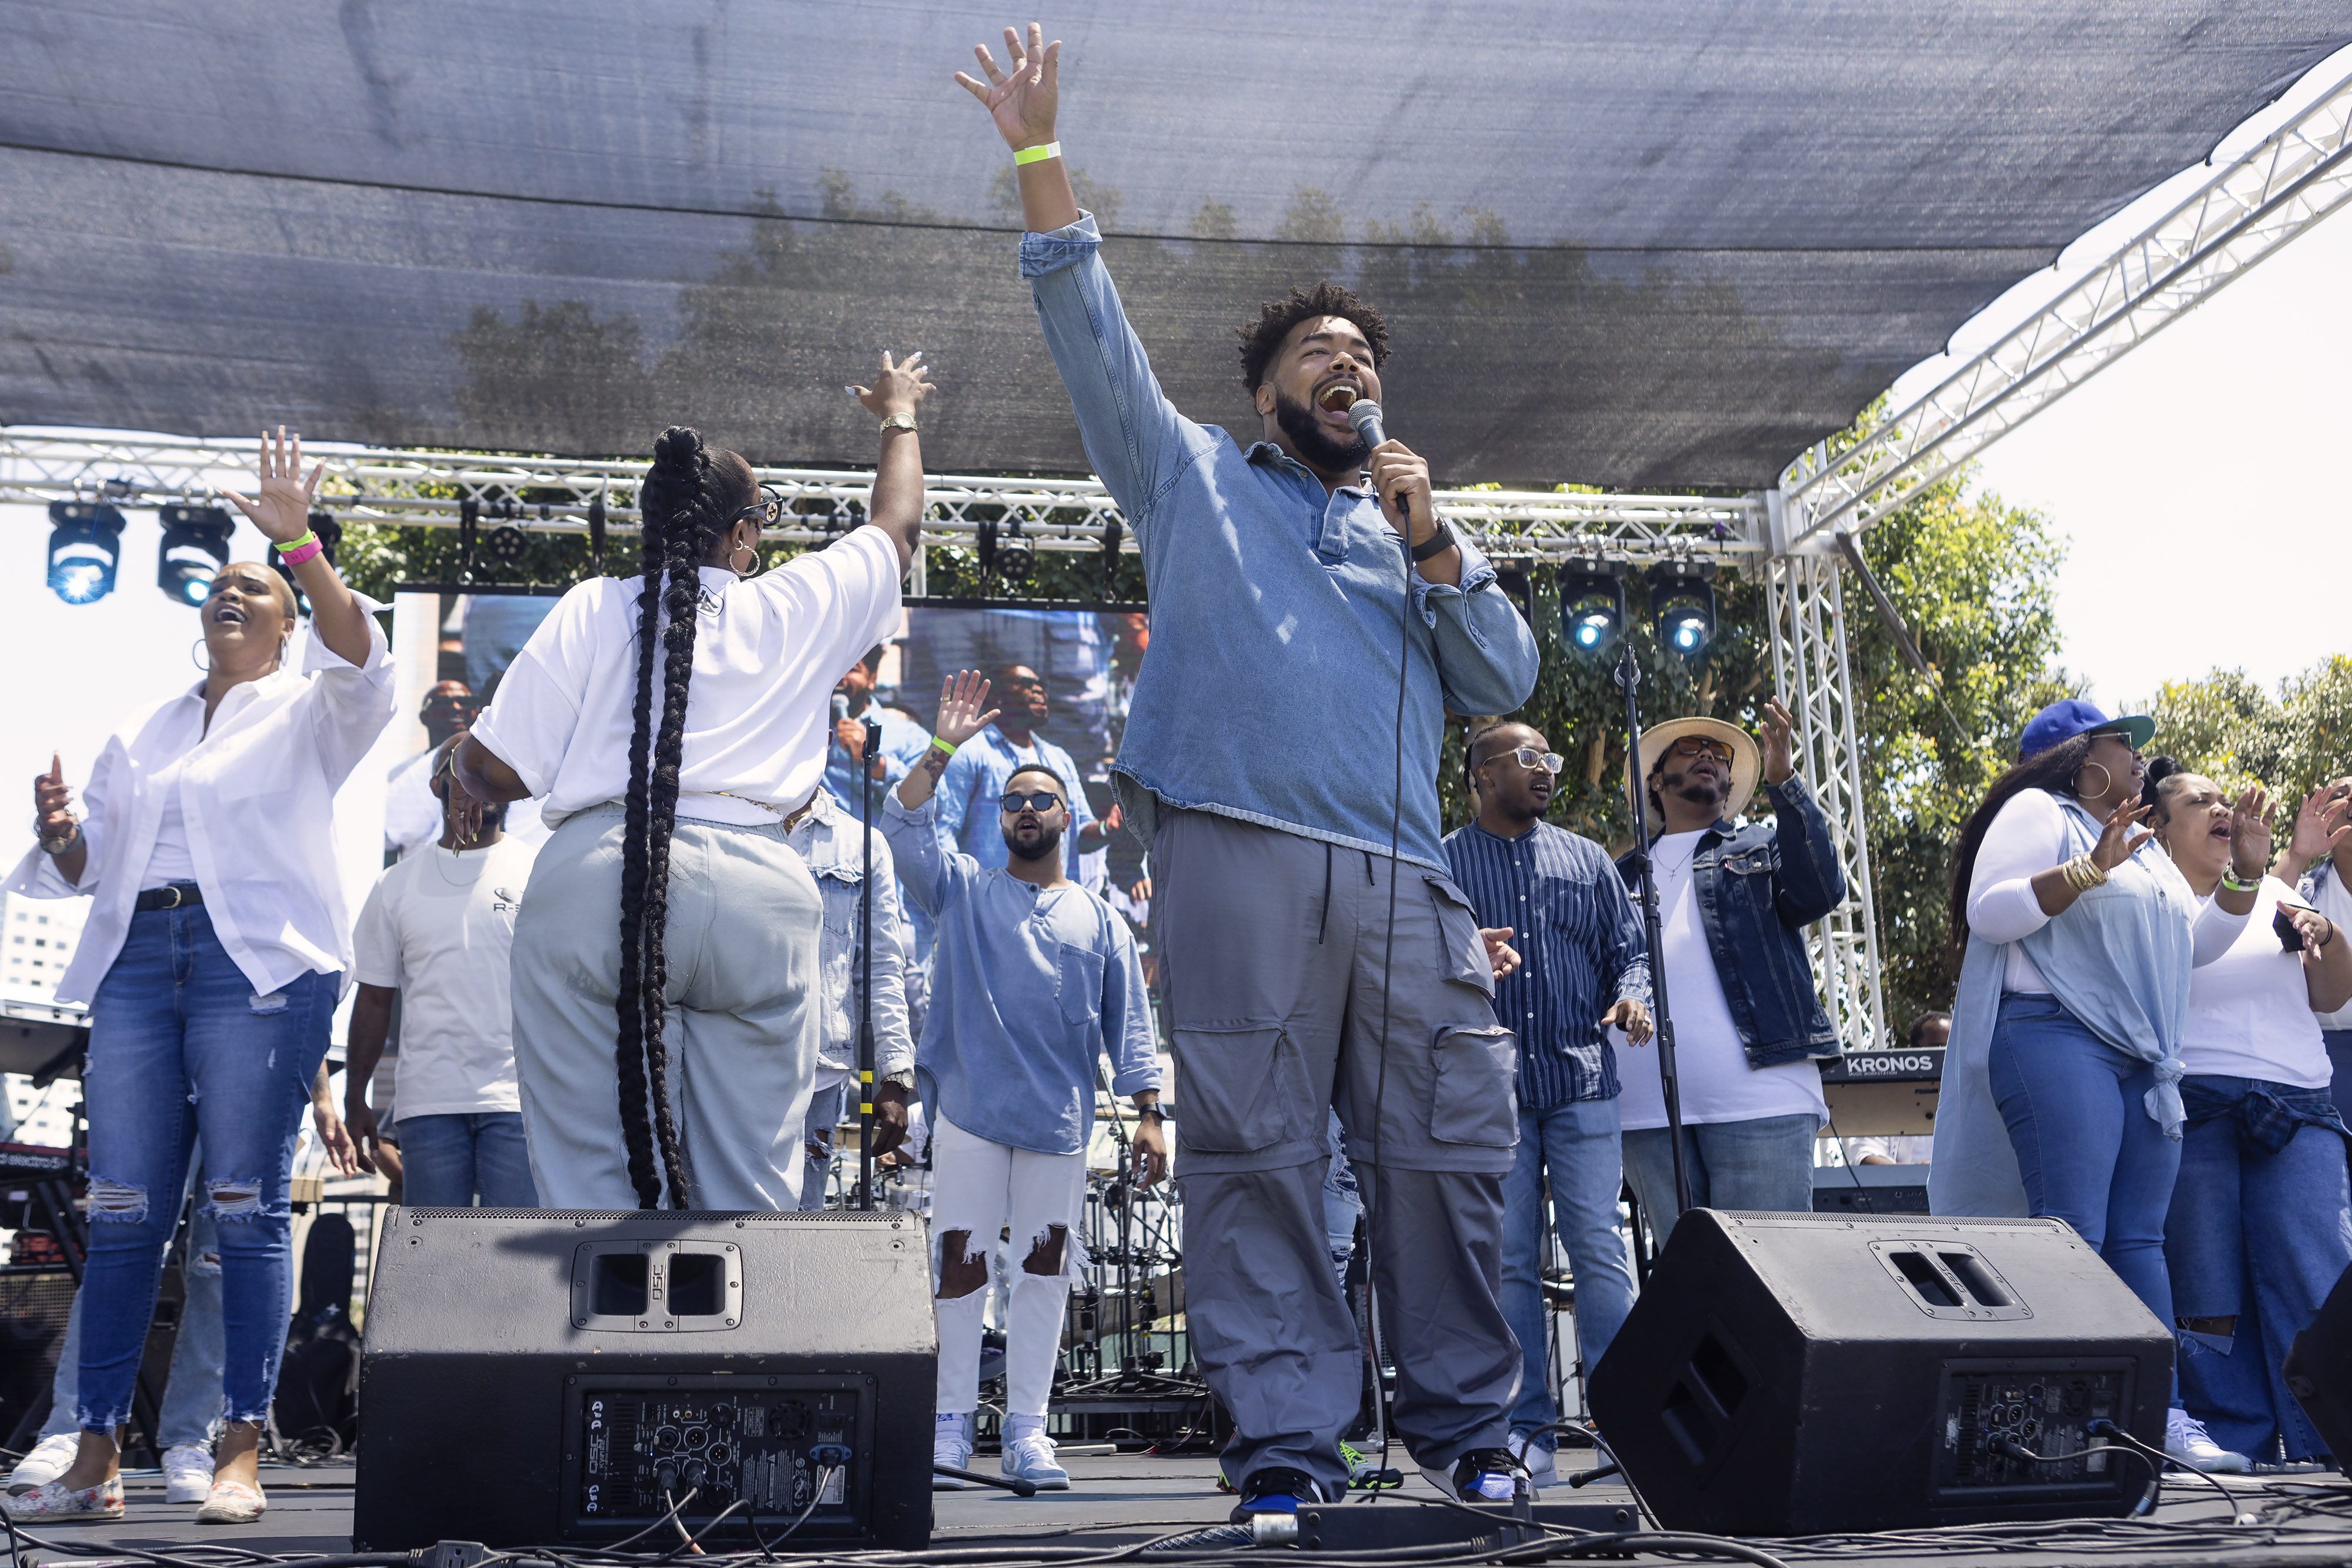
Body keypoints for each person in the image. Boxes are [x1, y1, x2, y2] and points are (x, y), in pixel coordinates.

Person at [960, 22, 1542, 1514]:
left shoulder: (1412, 535)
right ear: (1267, 392)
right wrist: (1040, 159)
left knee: (1447, 1156)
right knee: (1257, 1159)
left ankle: (1474, 1437)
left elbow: (1507, 685)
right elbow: (1093, 335)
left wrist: (1430, 538)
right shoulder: (1194, 480)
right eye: (1318, 358)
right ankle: (1291, 1450)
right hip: (1237, 856)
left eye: (1364, 360)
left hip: (1407, 878)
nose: (1348, 371)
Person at [6, 430, 393, 1524]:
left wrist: (302, 546)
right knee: (124, 1210)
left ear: (282, 626)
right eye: (218, 588)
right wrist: (62, 833)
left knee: (245, 1210)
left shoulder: (314, 708)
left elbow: (363, 655)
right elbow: (90, 871)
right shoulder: (149, 727)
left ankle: (238, 1447)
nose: (230, 595)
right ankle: (93, 1454)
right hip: (138, 961)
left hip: (256, 970)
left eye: (251, 589)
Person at [450, 360, 930, 1209]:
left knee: (592, 1192)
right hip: (762, 890)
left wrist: (456, 756)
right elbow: (895, 528)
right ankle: (733, 1340)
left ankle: (604, 1336)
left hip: (600, 880)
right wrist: (896, 416)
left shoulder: (594, 607)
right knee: (752, 1196)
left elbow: (493, 775)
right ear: (742, 535)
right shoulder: (795, 602)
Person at [1932, 699, 2263, 1472]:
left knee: (2140, 1238)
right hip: (2052, 1029)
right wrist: (2088, 868)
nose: (2140, 756)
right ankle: (2053, 1422)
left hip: (2139, 1056)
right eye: (2124, 742)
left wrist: (2247, 872)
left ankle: (2157, 1414)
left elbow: (2196, 941)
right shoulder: (2038, 809)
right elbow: (1992, 912)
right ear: (2080, 757)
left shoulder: (2139, 845)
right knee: (2072, 1229)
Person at [884, 672, 1166, 1492]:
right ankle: (948, 1428)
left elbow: (1133, 1027)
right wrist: (941, 747)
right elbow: (904, 827)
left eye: (1042, 798)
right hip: (970, 1115)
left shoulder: (1102, 918)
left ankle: (1028, 1432)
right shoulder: (963, 889)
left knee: (1044, 1275)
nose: (1028, 809)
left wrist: (1149, 1113)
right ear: (1001, 817)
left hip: (1059, 1124)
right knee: (961, 1271)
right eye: (1014, 800)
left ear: (1067, 816)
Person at [1444, 723, 1651, 1491]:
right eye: (1526, 758)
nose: (1545, 770)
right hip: (1489, 1091)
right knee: (1509, 1266)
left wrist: (1633, 996)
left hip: (1582, 1084)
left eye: (1549, 758)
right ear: (1479, 774)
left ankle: (1619, 1427)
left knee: (1600, 1249)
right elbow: (1418, 959)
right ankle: (1525, 1430)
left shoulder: (1588, 859)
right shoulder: (1443, 861)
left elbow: (1629, 950)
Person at [9, 1071, 352, 1505]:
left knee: (221, 1268)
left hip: (257, 1074)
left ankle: (190, 1442)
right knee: (121, 1254)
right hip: (165, 1069)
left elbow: (307, 1007)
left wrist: (323, 1096)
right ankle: (71, 1434)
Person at [2144, 759, 2352, 1467]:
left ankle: (2330, 1443)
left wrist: (2328, 936)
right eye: (2198, 802)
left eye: (2223, 799)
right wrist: (2252, 879)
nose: (2220, 808)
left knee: (2318, 1272)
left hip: (2296, 1105)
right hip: (2196, 1107)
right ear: (2160, 831)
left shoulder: (2275, 893)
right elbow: (2190, 957)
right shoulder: (2154, 896)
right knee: (2207, 1293)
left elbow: (2328, 996)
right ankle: (2234, 1440)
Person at [1613, 700, 1843, 1226]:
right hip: (1649, 1109)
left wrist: (1784, 781)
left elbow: (1821, 890)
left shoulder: (1761, 844)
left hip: (1762, 1096)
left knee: (1769, 1278)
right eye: (1691, 749)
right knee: (1691, 1280)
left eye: (1720, 754)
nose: (1709, 758)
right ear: (1656, 780)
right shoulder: (1618, 875)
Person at [343, 744, 543, 1207]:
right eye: (466, 769)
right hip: (427, 1105)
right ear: (438, 784)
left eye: (492, 771)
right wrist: (356, 1096)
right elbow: (373, 1000)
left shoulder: (538, 871)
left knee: (516, 1269)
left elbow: (568, 989)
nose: (479, 781)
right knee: (434, 1268)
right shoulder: (395, 884)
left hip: (517, 1103)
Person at [782, 783, 916, 1209]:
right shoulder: (729, 821)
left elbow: (879, 967)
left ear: (823, 738)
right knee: (719, 1221)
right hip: (726, 1064)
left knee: (799, 1223)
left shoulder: (861, 843)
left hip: (818, 1071)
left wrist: (894, 1074)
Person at [934, 663, 1110, 882]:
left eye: (1041, 686)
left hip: (1051, 908)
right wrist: (963, 893)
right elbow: (945, 831)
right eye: (1026, 684)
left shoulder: (1059, 759)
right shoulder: (971, 752)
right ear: (997, 698)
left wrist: (1108, 828)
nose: (1039, 691)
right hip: (990, 904)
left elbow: (1077, 834)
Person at [2276, 778, 2352, 1121]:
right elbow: (2253, 918)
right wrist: (2297, 854)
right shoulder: (2304, 893)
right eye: (2341, 795)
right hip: (2320, 1054)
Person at [821, 646, 934, 821]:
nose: (839, 678)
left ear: (872, 679)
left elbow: (933, 806)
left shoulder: (910, 736)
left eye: (851, 670)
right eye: (834, 668)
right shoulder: (801, 733)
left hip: (875, 845)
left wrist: (873, 761)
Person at [384, 681, 480, 860]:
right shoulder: (401, 774)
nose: (456, 708)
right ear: (424, 717)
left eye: (465, 702)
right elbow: (389, 843)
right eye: (443, 703)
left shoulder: (489, 766)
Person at [1844, 1012, 1947, 1166]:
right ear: (1915, 1053)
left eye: (1951, 1048)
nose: (1945, 1055)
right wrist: (1916, 1173)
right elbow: (1865, 1156)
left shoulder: (1976, 1102)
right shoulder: (1888, 1101)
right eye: (1937, 1048)